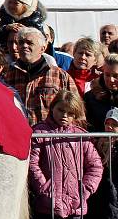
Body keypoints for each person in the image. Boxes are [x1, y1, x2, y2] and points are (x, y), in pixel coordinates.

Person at [29, 91, 103, 219]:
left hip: (76, 206)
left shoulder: (81, 135)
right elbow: (32, 164)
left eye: (70, 113)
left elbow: (95, 166)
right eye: (60, 110)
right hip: (47, 207)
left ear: (76, 115)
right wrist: (45, 189)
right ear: (52, 107)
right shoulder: (39, 132)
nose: (64, 115)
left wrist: (84, 190)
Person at [1, 27, 78, 126]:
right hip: (16, 134)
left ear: (42, 48)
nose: (24, 46)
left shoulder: (60, 76)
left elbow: (77, 111)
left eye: (30, 43)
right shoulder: (6, 75)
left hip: (50, 138)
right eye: (21, 42)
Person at [85, 53, 118, 132]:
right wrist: (97, 140)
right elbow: (86, 125)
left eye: (116, 76)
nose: (111, 80)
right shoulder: (90, 97)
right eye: (107, 75)